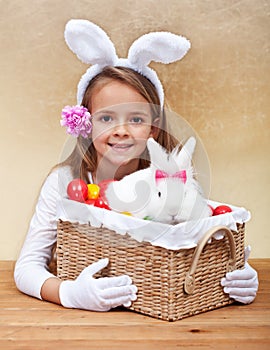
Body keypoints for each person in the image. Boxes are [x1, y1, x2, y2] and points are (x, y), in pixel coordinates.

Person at [14, 19, 258, 312]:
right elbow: (26, 267)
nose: (121, 130)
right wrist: (69, 294)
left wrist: (233, 271)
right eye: (106, 118)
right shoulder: (64, 181)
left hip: (159, 308)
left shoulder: (168, 178)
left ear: (153, 129)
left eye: (136, 119)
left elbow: (193, 237)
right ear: (87, 123)